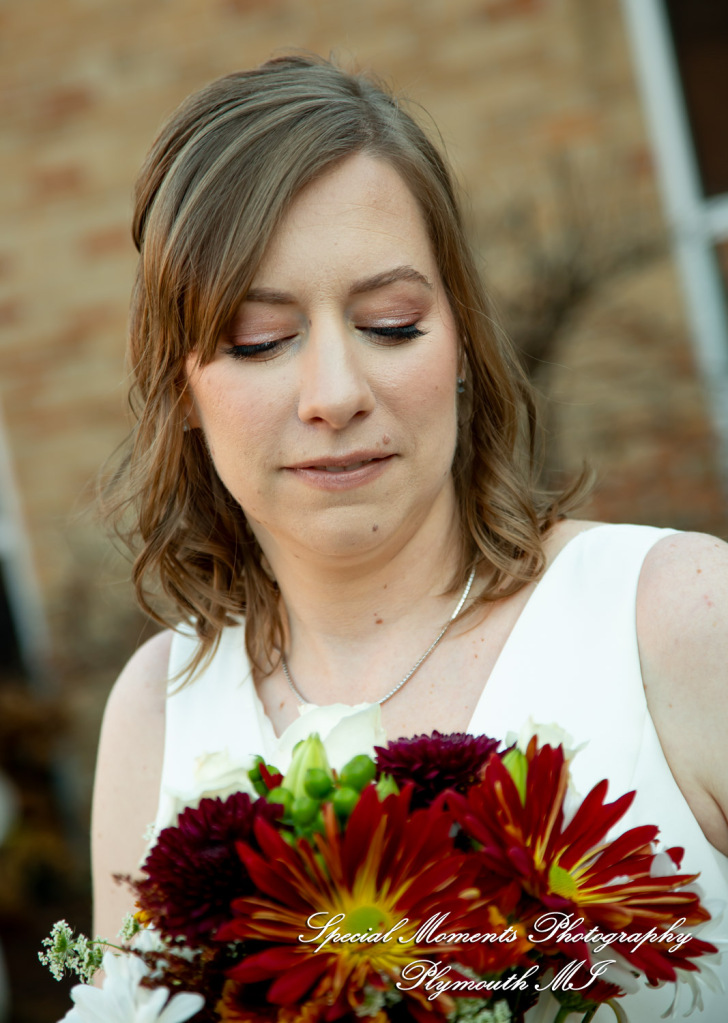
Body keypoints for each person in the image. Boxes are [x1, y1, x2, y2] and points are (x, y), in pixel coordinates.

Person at [91, 54, 728, 1020]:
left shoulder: (681, 615)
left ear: (462, 338)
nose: (336, 394)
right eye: (260, 341)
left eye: (391, 323)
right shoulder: (154, 710)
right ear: (182, 384)